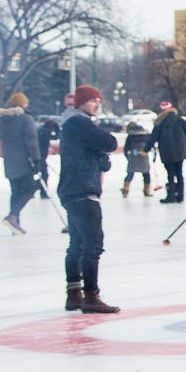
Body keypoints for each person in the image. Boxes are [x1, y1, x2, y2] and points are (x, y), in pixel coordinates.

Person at [58, 85, 122, 314]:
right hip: (83, 189)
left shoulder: (73, 125)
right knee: (93, 244)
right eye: (93, 100)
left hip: (73, 189)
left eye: (99, 101)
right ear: (81, 102)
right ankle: (91, 296)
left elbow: (103, 158)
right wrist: (102, 151)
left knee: (78, 243)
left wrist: (101, 155)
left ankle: (74, 294)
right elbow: (109, 143)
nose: (97, 105)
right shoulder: (79, 123)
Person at [0, 92, 40, 235]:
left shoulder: (4, 120)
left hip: (10, 161)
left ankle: (15, 224)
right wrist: (36, 159)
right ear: (23, 104)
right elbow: (31, 140)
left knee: (15, 192)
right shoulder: (25, 119)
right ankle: (13, 216)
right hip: (24, 160)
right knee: (29, 189)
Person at [150, 101, 186, 204]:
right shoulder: (179, 119)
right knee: (179, 173)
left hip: (167, 151)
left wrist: (146, 149)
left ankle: (171, 196)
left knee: (170, 174)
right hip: (180, 151)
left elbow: (153, 136)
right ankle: (180, 196)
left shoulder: (160, 122)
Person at [121, 122, 154, 197]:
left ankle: (126, 189)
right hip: (144, 155)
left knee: (130, 173)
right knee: (146, 174)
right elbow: (150, 143)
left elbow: (126, 148)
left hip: (134, 156)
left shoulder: (130, 135)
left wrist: (128, 157)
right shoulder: (145, 134)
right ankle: (147, 191)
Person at [36, 116, 60, 197]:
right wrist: (57, 128)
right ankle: (42, 192)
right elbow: (56, 136)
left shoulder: (41, 130)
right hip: (41, 155)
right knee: (44, 174)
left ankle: (38, 190)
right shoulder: (45, 132)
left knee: (39, 173)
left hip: (39, 155)